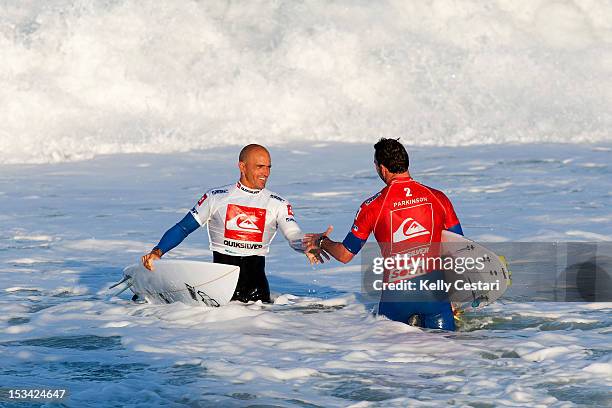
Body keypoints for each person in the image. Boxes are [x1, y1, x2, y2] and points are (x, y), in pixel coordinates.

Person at [305, 138, 463, 330]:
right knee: (446, 353)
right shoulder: (437, 197)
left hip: (396, 296)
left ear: (382, 168)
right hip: (434, 294)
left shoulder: (372, 206)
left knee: (390, 356)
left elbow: (344, 254)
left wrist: (321, 241)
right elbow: (458, 248)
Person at [141, 144, 318, 303]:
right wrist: (158, 251)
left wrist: (306, 245)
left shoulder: (277, 203)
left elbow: (293, 234)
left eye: (268, 167)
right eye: (260, 167)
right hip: (219, 292)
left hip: (258, 295)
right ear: (242, 167)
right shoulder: (216, 197)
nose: (266, 173)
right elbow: (183, 228)